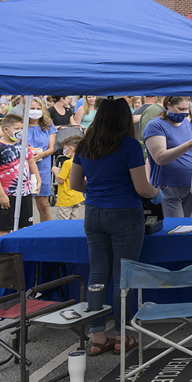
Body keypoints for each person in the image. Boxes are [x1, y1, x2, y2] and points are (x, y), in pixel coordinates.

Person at [69, 97, 161, 356]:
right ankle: (122, 335)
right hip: (124, 213)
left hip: (94, 213)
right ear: (124, 117)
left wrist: (99, 191)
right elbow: (141, 187)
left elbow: (75, 184)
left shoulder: (86, 144)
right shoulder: (130, 145)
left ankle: (98, 336)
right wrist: (156, 193)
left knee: (97, 275)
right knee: (124, 276)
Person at [143, 96, 192, 217]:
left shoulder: (185, 123)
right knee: (175, 227)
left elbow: (191, 152)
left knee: (187, 225)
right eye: (180, 109)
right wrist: (189, 144)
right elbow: (160, 158)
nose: (183, 113)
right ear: (168, 105)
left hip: (189, 184)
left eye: (186, 110)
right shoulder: (155, 126)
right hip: (169, 185)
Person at [0, 114, 39, 237]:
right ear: (6, 130)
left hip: (24, 192)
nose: (20, 131)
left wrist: (37, 179)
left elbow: (31, 161)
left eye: (21, 128)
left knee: (23, 226)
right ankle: (3, 254)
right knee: (6, 228)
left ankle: (20, 253)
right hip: (7, 193)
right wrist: (2, 195)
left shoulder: (23, 143)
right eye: (16, 129)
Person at [13, 98, 57, 222]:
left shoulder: (48, 126)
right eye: (32, 108)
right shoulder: (20, 126)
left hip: (42, 167)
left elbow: (51, 148)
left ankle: (46, 232)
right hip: (23, 168)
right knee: (21, 206)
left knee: (43, 205)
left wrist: (40, 155)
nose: (35, 111)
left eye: (38, 109)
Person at [54, 137, 86, 219]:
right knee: (73, 220)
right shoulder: (84, 161)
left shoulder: (67, 163)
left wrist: (55, 171)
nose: (64, 151)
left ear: (71, 148)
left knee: (62, 221)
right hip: (77, 196)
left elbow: (60, 180)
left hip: (66, 198)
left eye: (65, 148)